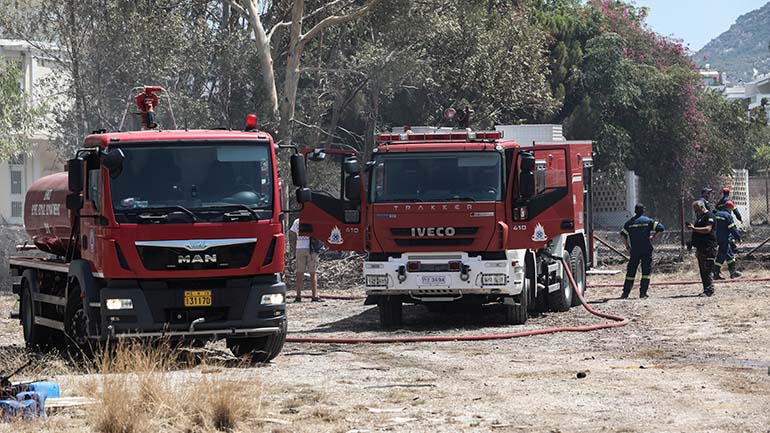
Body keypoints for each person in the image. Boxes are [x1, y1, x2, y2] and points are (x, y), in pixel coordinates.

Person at [619, 203, 665, 299]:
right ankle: (643, 293)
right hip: (646, 250)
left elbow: (622, 235)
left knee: (631, 272)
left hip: (635, 250)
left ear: (635, 211)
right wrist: (653, 237)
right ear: (643, 211)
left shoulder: (629, 223)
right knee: (646, 272)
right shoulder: (648, 221)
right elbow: (661, 228)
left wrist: (627, 247)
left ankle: (625, 293)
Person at [686, 200, 717, 297]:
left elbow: (708, 229)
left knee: (707, 269)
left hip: (708, 247)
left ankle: (709, 290)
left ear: (702, 207)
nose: (695, 211)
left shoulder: (709, 216)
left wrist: (694, 229)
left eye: (696, 209)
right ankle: (706, 289)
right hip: (701, 247)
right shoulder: (700, 217)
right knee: (703, 269)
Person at [289, 217, 321, 302]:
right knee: (313, 272)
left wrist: (294, 250)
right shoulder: (313, 220)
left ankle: (298, 296)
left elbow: (292, 234)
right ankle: (314, 296)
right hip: (311, 248)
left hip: (299, 248)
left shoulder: (296, 221)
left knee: (299, 273)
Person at [713, 200, 742, 280]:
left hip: (716, 238)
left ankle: (732, 272)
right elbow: (732, 228)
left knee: (728, 254)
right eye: (732, 208)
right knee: (722, 255)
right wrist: (738, 237)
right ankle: (716, 272)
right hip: (724, 238)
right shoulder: (727, 216)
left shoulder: (716, 214)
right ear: (729, 207)